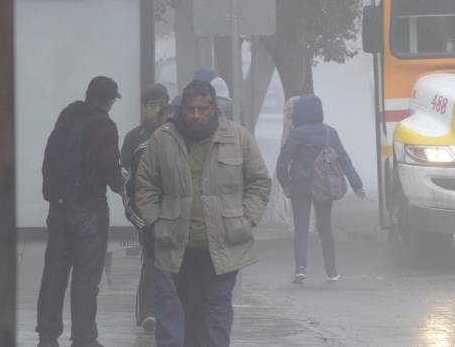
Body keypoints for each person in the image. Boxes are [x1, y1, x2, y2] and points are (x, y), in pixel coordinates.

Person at [135, 80, 272, 347]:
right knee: (173, 316)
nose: (196, 115)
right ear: (181, 110)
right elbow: (145, 185)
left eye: (202, 108)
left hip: (224, 245)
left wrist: (247, 219)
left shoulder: (238, 138)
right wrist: (155, 222)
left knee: (217, 312)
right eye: (190, 109)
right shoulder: (163, 139)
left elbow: (259, 182)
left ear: (214, 109)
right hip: (175, 244)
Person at [36, 76, 125, 347]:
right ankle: (84, 338)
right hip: (89, 209)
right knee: (86, 277)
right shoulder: (104, 125)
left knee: (54, 274)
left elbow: (49, 157)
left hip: (59, 208)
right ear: (109, 101)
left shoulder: (67, 116)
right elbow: (108, 167)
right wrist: (122, 185)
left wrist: (54, 194)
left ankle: (48, 337)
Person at [275, 94, 365, 284]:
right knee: (325, 228)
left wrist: (286, 186)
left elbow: (282, 164)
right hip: (324, 185)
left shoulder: (296, 134)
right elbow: (344, 160)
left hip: (299, 186)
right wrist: (357, 185)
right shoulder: (330, 133)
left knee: (301, 227)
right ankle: (331, 271)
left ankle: (300, 269)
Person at [119, 83, 171, 333]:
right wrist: (135, 216)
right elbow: (125, 182)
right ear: (144, 108)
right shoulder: (134, 138)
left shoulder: (177, 134)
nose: (157, 110)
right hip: (145, 214)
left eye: (162, 104)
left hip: (175, 213)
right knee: (151, 258)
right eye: (153, 105)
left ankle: (169, 310)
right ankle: (149, 311)